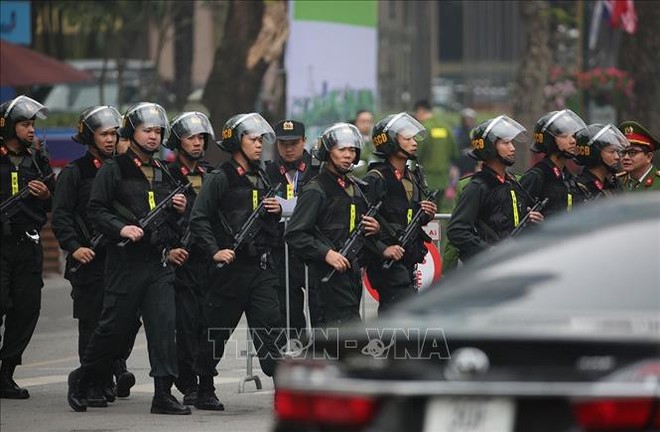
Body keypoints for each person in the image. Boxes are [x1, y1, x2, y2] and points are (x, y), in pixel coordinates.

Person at [67, 102, 191, 415]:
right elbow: (96, 210)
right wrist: (122, 229)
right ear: (132, 132)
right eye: (147, 130)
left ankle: (163, 394)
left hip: (157, 263)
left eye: (157, 131)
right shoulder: (114, 169)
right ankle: (83, 377)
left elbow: (172, 224)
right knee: (113, 329)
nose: (153, 136)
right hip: (125, 263)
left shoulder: (162, 171)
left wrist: (179, 210)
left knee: (164, 326)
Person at [190, 113, 283, 411]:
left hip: (260, 268)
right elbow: (199, 218)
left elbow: (271, 224)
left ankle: (283, 388)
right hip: (229, 269)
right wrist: (214, 250)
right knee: (216, 331)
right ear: (236, 142)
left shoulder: (263, 176)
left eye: (260, 140)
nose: (259, 146)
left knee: (271, 328)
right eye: (253, 140)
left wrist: (275, 209)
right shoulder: (220, 177)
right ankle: (204, 387)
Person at [52, 105, 139, 407]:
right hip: (88, 259)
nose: (111, 139)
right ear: (90, 137)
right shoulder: (75, 173)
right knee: (92, 324)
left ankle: (108, 373)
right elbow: (61, 216)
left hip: (120, 258)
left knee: (122, 322)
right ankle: (92, 382)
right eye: (104, 134)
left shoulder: (122, 169)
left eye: (115, 133)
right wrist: (74, 246)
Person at [285, 123, 380, 327]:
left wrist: (375, 228)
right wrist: (326, 253)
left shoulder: (354, 187)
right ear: (328, 152)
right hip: (325, 278)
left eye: (352, 150)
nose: (348, 155)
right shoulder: (316, 189)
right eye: (342, 149)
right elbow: (295, 234)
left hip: (351, 276)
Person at [0, 95, 55, 399]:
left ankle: (6, 374)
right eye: (24, 123)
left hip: (28, 244)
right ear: (8, 126)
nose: (31, 129)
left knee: (26, 309)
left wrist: (46, 192)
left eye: (33, 124)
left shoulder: (38, 160)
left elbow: (55, 202)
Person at [163, 111, 214, 406]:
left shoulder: (210, 175)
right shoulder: (166, 174)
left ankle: (204, 382)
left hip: (208, 259)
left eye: (200, 138)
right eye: (190, 138)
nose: (196, 144)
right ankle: (187, 382)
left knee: (207, 323)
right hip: (180, 259)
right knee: (185, 325)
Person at [363, 113, 437, 313]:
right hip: (386, 262)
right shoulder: (376, 178)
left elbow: (410, 215)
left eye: (414, 138)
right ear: (389, 143)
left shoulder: (413, 177)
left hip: (408, 259)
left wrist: (427, 212)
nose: (414, 143)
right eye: (407, 139)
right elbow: (363, 225)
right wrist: (382, 248)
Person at [447, 115, 544, 262]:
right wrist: (488, 250)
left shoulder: (512, 183)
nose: (512, 148)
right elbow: (457, 230)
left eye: (511, 142)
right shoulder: (478, 186)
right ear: (490, 148)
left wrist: (531, 220)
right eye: (505, 143)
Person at [265, 119, 320, 338]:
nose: (288, 148)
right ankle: (297, 351)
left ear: (304, 141)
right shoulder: (269, 171)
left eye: (294, 143)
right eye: (283, 143)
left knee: (319, 305)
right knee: (288, 309)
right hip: (282, 250)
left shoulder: (318, 169)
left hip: (312, 248)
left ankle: (323, 353)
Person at [520, 109, 587, 218]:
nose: (573, 141)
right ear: (549, 140)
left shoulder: (568, 177)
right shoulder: (537, 176)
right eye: (564, 136)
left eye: (574, 136)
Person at [413, 99, 459, 207]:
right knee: (440, 211)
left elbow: (416, 154)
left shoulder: (423, 129)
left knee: (427, 211)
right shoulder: (446, 128)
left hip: (426, 180)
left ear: (420, 111)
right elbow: (455, 152)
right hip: (444, 179)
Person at [574, 124, 627, 200]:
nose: (617, 157)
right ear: (595, 154)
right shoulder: (580, 188)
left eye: (617, 151)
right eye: (612, 152)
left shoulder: (614, 184)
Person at [618, 121, 660, 192]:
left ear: (649, 157)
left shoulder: (658, 181)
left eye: (632, 153)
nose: (626, 157)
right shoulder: (617, 182)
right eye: (623, 152)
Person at [453, 107, 478, 177]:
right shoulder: (458, 132)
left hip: (473, 164)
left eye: (470, 119)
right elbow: (455, 149)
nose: (468, 121)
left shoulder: (476, 132)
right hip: (460, 164)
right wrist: (454, 165)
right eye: (466, 118)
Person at [351, 109, 375, 176]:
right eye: (363, 121)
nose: (366, 125)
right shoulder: (351, 143)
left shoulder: (376, 142)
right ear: (356, 122)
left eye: (369, 121)